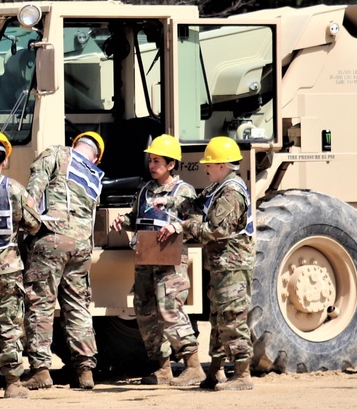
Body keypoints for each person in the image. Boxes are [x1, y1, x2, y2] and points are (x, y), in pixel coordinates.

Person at [109, 135, 204, 386]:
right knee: (146, 311)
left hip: (169, 262)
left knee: (170, 310)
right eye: (151, 160)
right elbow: (136, 217)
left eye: (158, 161)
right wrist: (123, 222)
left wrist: (176, 226)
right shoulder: (144, 190)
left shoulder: (183, 191)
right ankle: (162, 368)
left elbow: (196, 224)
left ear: (171, 164)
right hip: (145, 260)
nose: (152, 165)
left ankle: (193, 365)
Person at [23, 131, 105, 390]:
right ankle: (85, 371)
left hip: (53, 238)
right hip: (82, 247)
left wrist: (27, 224)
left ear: (75, 144)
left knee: (41, 304)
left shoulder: (57, 153)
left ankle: (40, 371)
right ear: (96, 157)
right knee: (78, 306)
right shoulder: (94, 176)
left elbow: (33, 193)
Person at [182, 136, 255, 391]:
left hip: (232, 266)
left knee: (233, 318)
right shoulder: (217, 189)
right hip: (221, 266)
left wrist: (188, 225)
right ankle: (216, 371)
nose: (206, 168)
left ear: (222, 165)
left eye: (210, 164)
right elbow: (196, 203)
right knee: (218, 319)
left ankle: (243, 374)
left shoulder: (231, 191)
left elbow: (217, 230)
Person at [0, 131, 42, 399]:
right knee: (9, 324)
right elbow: (34, 223)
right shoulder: (14, 188)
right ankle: (13, 383)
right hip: (8, 266)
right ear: (4, 160)